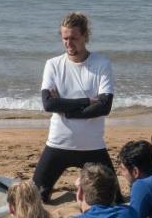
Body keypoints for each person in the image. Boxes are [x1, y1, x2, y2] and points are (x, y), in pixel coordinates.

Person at [32, 11, 116, 203]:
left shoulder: (101, 64)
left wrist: (65, 110)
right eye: (65, 38)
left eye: (74, 38)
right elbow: (49, 104)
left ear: (85, 36)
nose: (69, 44)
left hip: (93, 146)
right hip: (58, 143)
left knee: (113, 200)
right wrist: (85, 102)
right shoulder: (53, 64)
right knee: (37, 198)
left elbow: (104, 107)